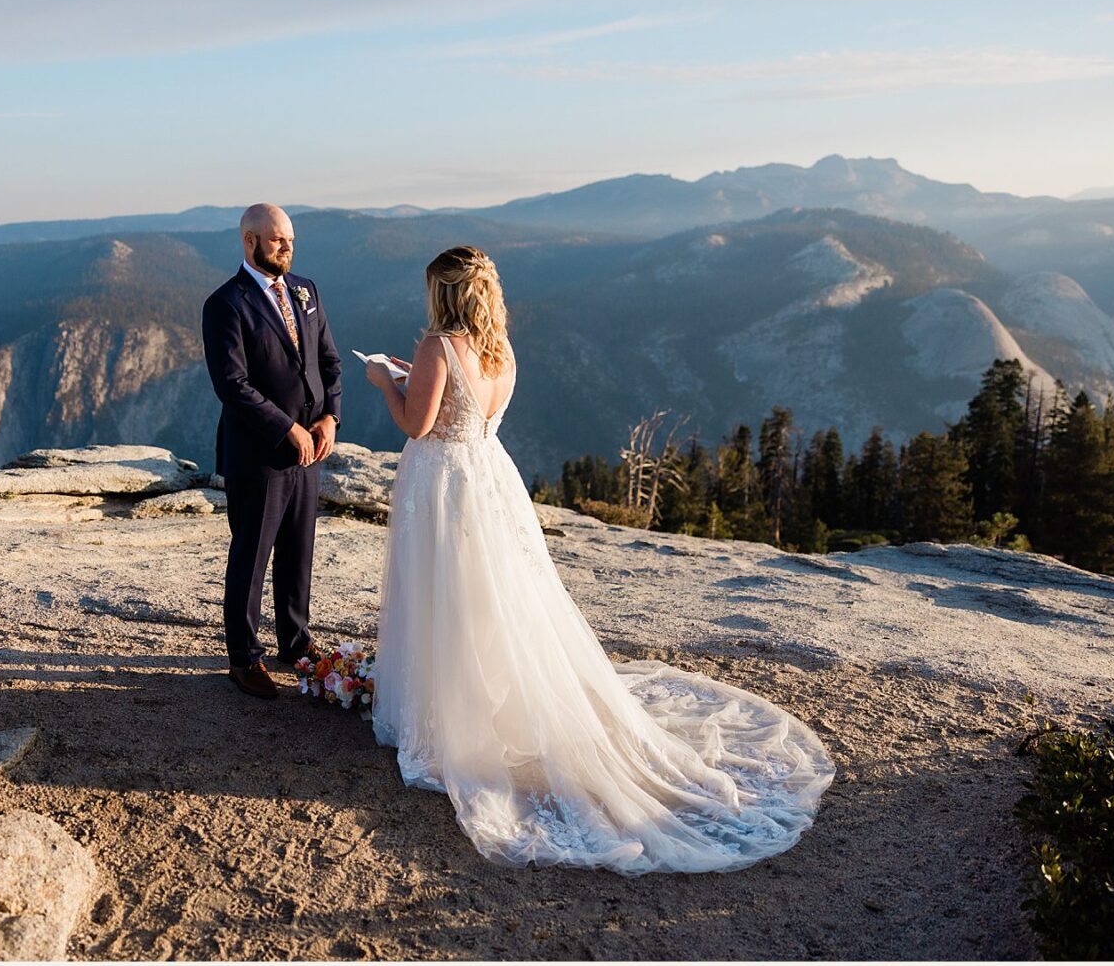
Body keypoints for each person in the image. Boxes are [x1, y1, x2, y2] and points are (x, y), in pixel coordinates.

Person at [363, 244, 833, 875]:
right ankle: (495, 701)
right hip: (490, 479)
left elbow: (417, 425)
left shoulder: (435, 348)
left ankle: (452, 718)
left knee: (446, 594)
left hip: (444, 485)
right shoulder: (500, 349)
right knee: (494, 597)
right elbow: (466, 412)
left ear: (442, 294)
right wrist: (411, 378)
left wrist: (384, 384)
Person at [201, 204, 341, 699]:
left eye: (291, 241)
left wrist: (329, 418)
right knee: (252, 555)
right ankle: (243, 658)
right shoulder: (226, 304)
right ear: (249, 241)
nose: (287, 248)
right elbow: (232, 386)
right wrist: (287, 429)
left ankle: (296, 645)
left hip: (309, 449)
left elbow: (329, 363)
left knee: (299, 551)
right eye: (277, 240)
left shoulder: (306, 291)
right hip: (257, 453)